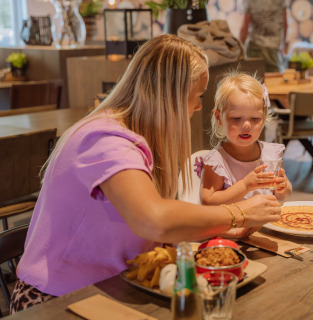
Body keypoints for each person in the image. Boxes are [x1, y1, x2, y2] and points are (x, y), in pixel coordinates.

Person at [10, 35, 281, 313]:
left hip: (116, 286)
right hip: (56, 299)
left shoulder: (138, 136)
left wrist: (224, 226)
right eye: (197, 96)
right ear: (170, 96)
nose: (199, 106)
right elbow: (154, 220)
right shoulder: (105, 139)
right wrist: (239, 212)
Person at [201, 71, 292, 226]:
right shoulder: (217, 161)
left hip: (268, 228)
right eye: (237, 118)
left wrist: (283, 187)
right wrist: (245, 185)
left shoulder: (271, 154)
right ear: (219, 118)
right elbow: (208, 202)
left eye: (255, 119)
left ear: (263, 118)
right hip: (233, 231)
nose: (247, 125)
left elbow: (283, 195)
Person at [239, 0, 288, 72]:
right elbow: (285, 25)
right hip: (273, 48)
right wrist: (282, 48)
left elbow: (244, 29)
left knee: (253, 79)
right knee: (275, 79)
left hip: (254, 48)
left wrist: (240, 51)